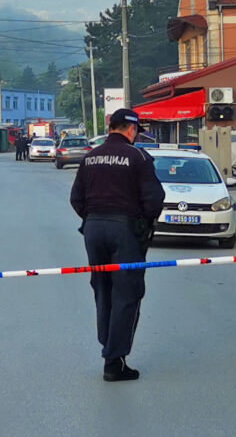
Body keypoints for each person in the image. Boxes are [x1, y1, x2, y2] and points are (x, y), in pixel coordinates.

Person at [69, 108, 165, 381]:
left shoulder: (90, 157)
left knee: (102, 289)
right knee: (127, 292)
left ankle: (108, 343)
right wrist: (143, 224)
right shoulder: (138, 157)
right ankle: (114, 360)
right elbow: (155, 198)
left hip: (93, 228)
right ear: (131, 130)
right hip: (124, 229)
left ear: (111, 128)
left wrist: (93, 218)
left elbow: (76, 198)